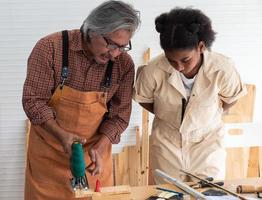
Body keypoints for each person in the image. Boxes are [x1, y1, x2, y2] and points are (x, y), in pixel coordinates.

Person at [22, 1, 140, 199]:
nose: (115, 54)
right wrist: (62, 136)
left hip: (93, 159)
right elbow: (33, 101)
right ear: (92, 31)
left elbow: (119, 117)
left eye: (122, 47)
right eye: (110, 44)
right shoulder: (50, 48)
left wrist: (101, 147)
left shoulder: (123, 65)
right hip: (48, 157)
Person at [133, 8, 247, 184]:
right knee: (169, 192)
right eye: (171, 60)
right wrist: (169, 114)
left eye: (185, 60)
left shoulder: (222, 68)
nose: (178, 67)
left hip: (207, 142)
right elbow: (144, 99)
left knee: (210, 192)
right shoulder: (153, 70)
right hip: (167, 141)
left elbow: (232, 98)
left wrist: (205, 114)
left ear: (201, 47)